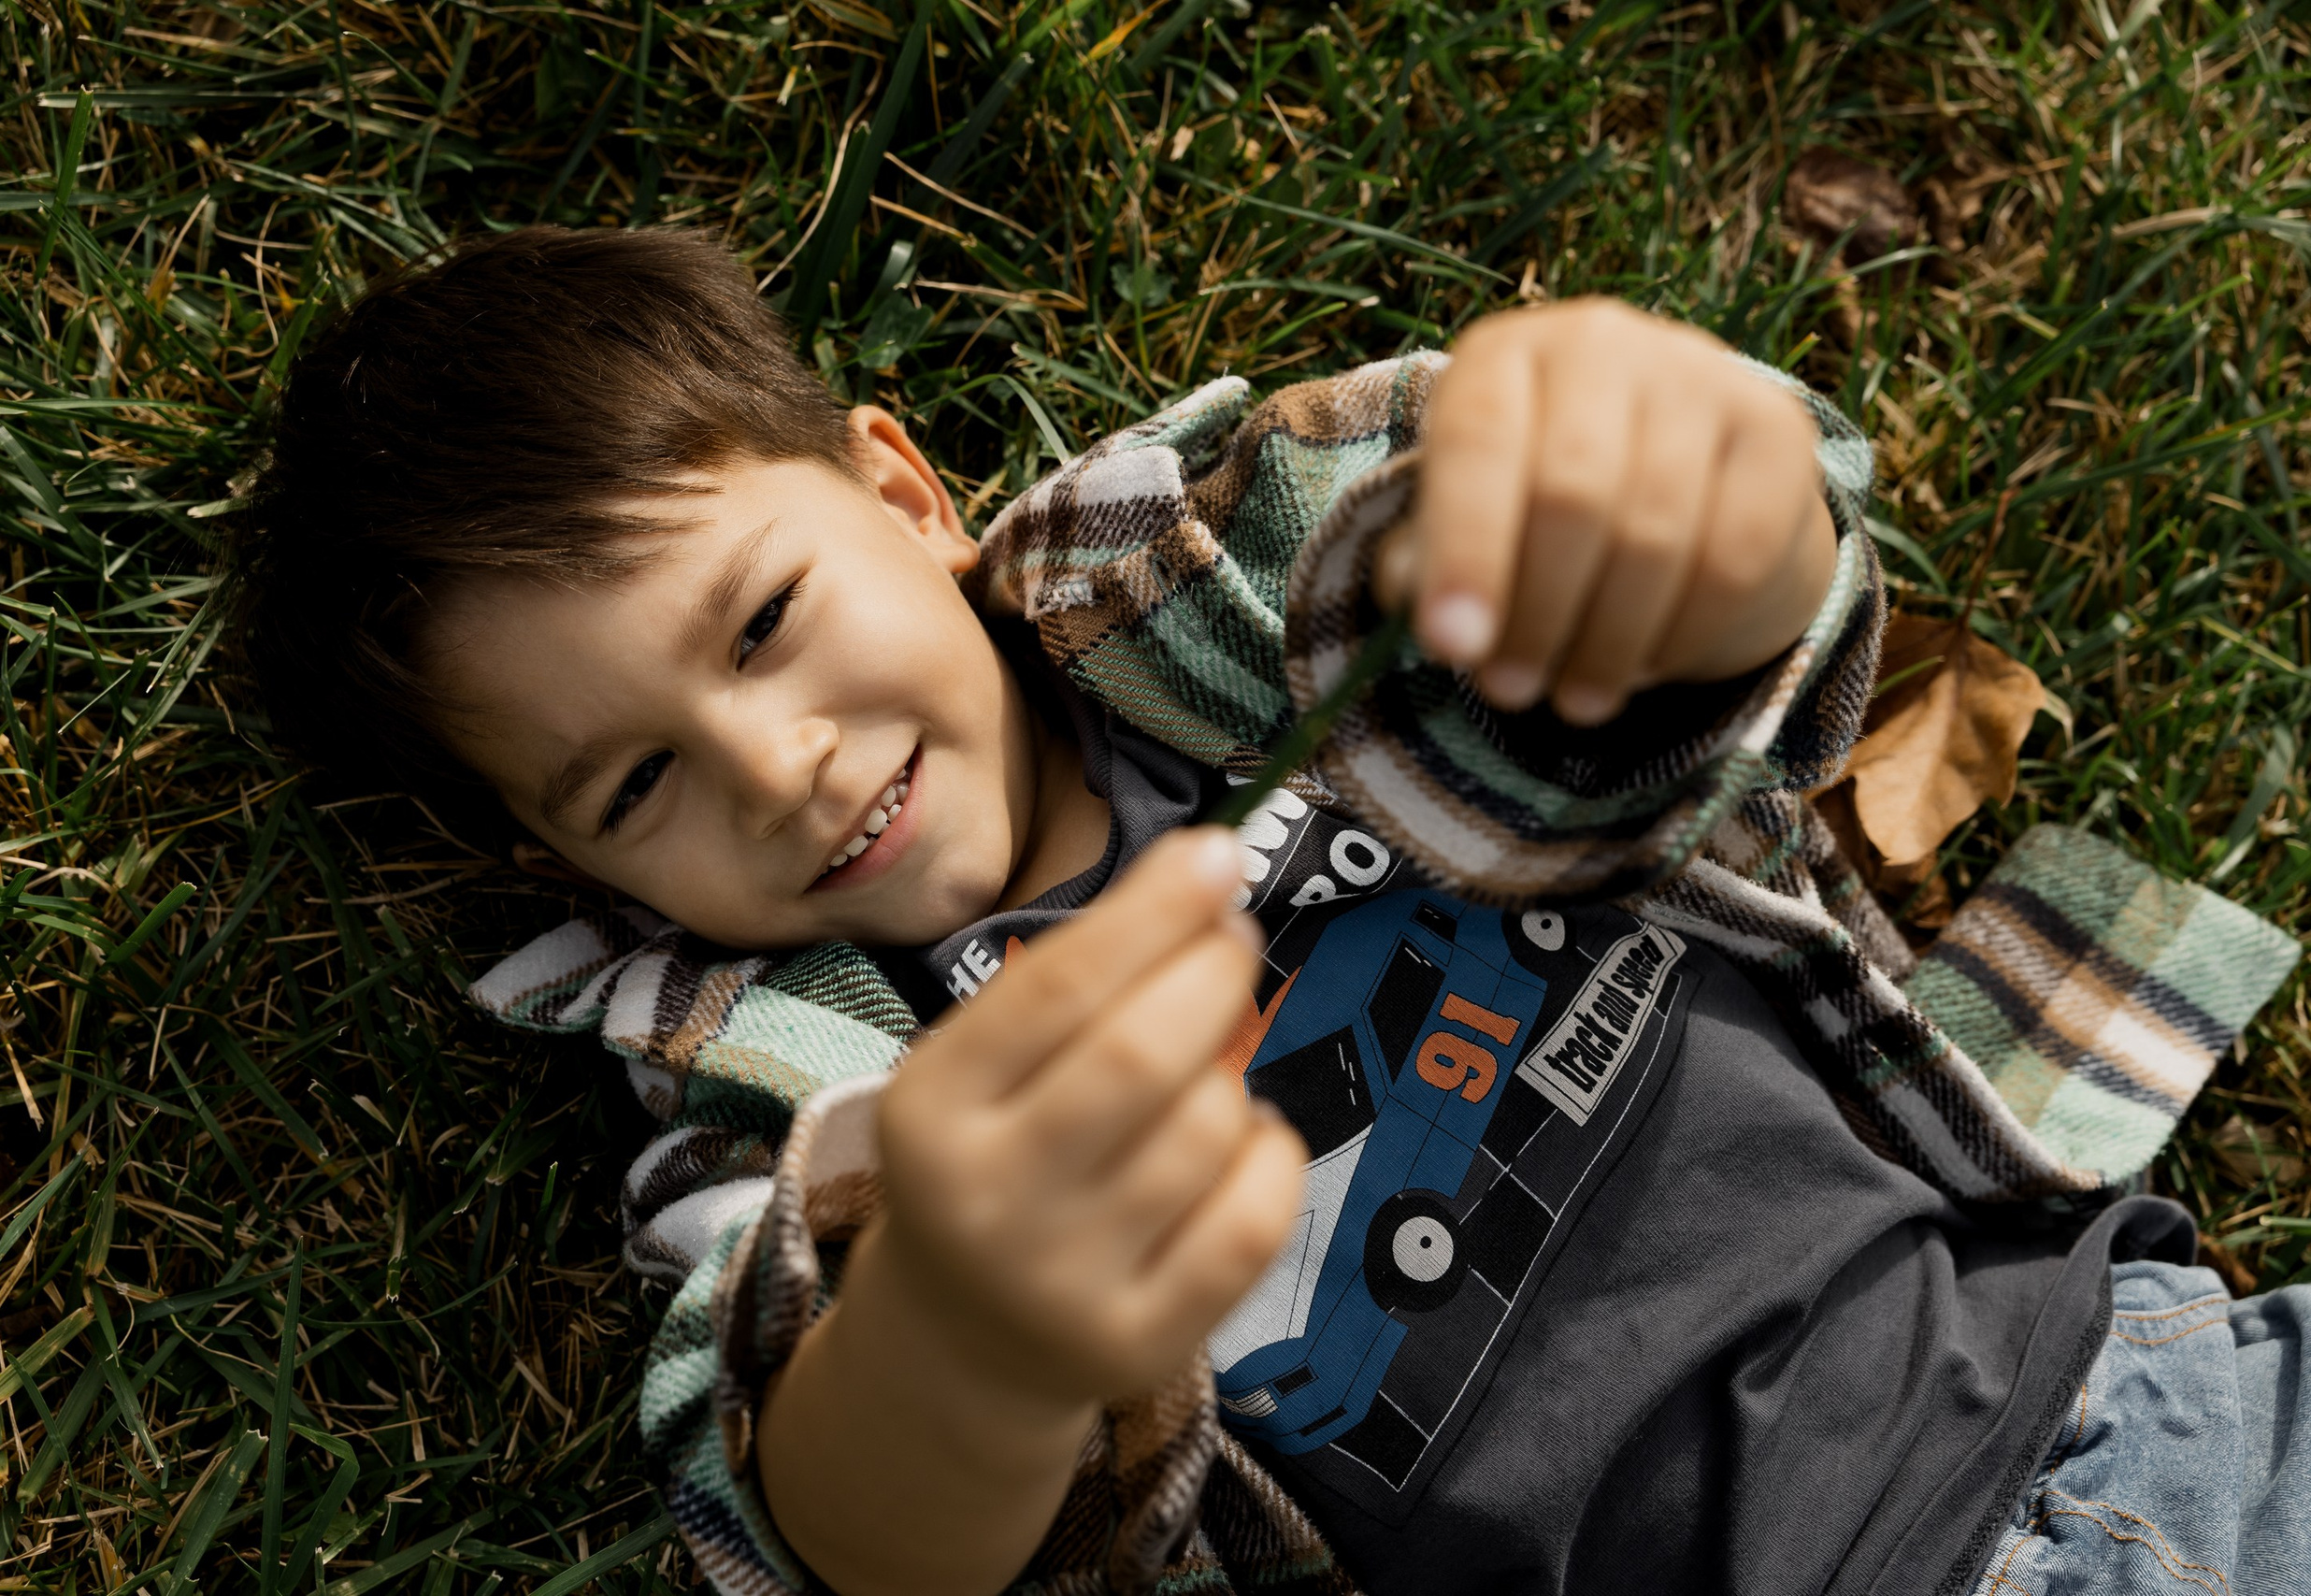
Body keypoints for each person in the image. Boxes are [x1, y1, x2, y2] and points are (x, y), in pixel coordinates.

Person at [231, 225, 2301, 1596]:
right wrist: (956, 1344)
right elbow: (813, 1508)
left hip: (2131, 1400)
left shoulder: (1238, 599)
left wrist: (1691, 489)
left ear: (897, 492)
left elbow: (1699, 629)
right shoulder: (801, 1115)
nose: (771, 760)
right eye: (635, 779)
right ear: (572, 870)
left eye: (764, 619)